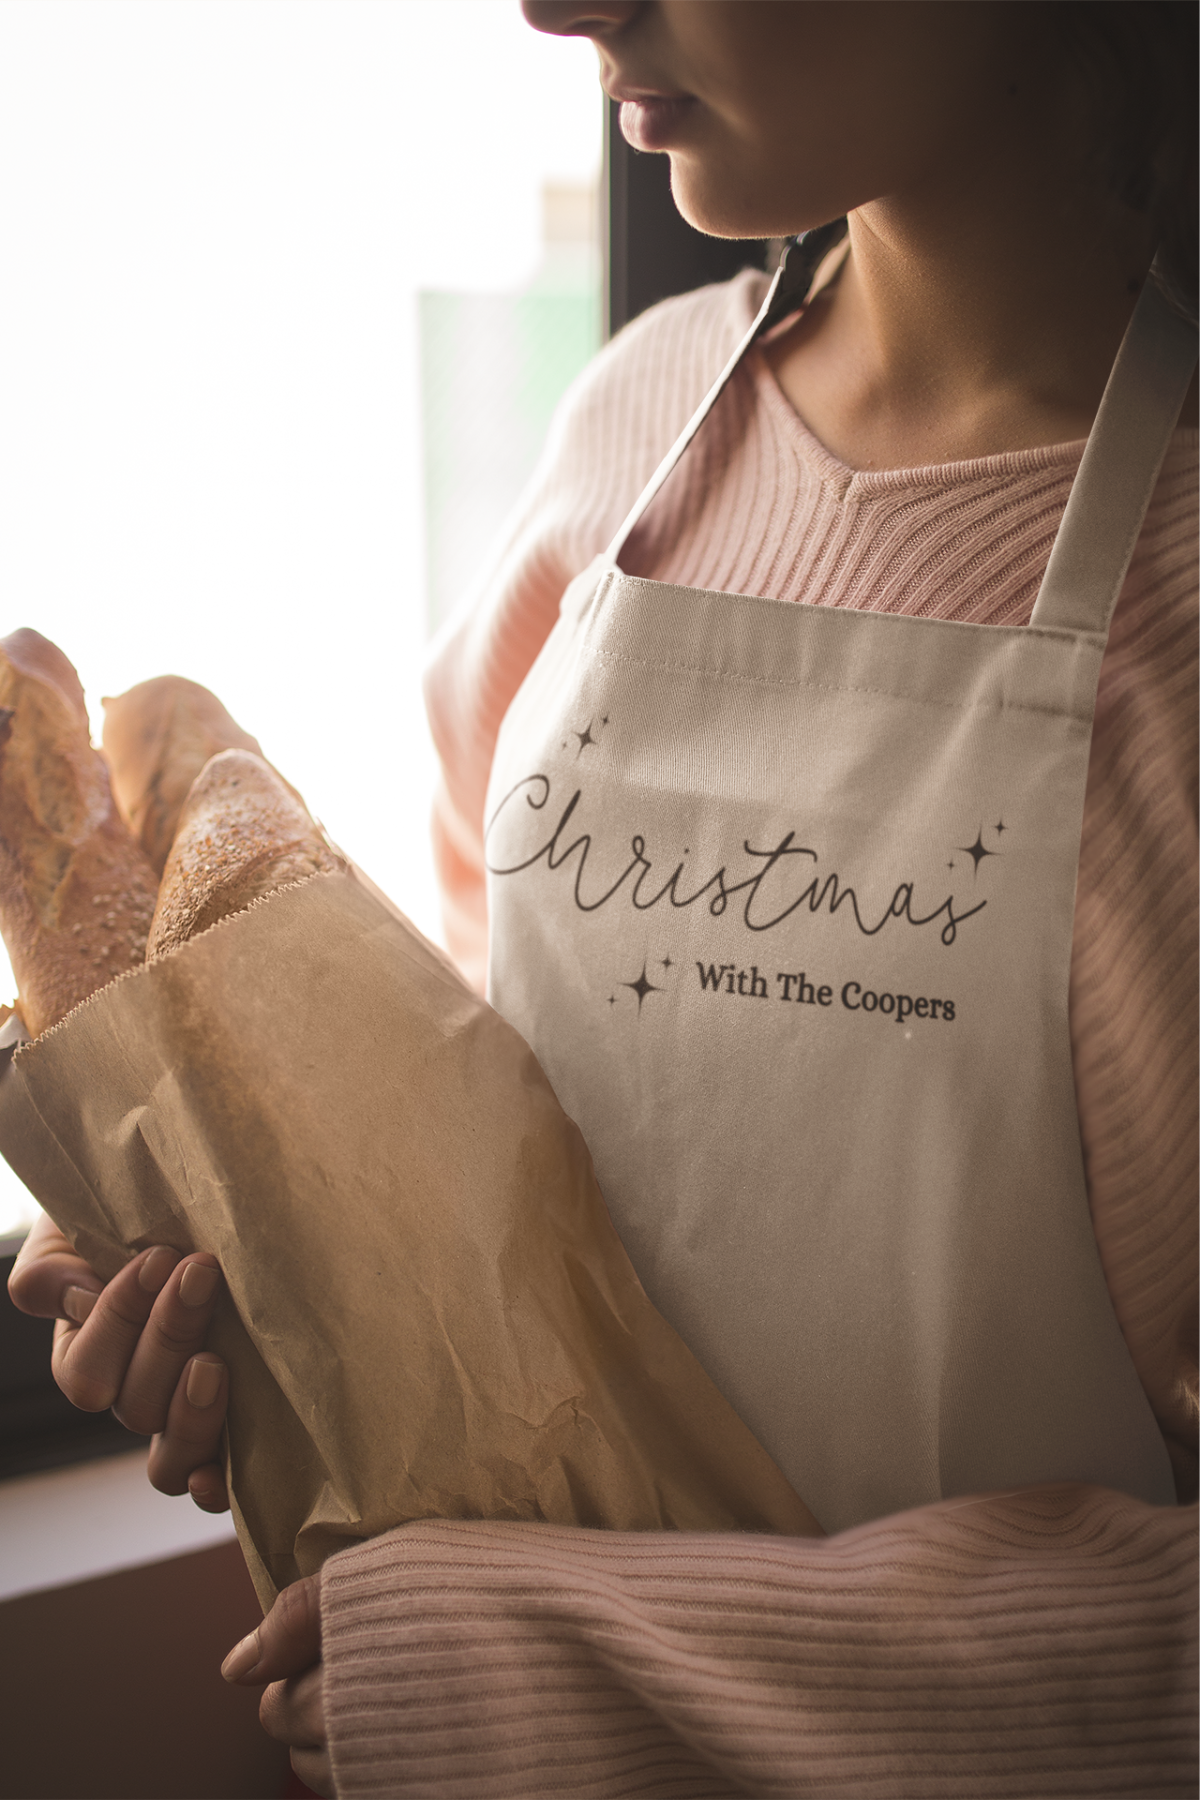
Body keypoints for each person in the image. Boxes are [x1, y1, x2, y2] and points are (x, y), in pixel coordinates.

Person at [10, 3, 1197, 1795]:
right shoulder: (631, 428)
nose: (558, 0)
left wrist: (567, 1668)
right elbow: (501, 1181)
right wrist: (266, 1285)